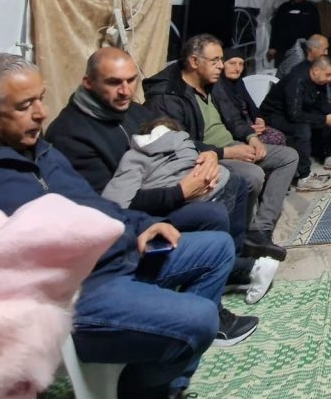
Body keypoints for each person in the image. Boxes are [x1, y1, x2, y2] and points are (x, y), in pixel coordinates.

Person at [0, 54, 250, 399]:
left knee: (216, 247)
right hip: (78, 290)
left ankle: (165, 384)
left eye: (41, 99)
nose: (41, 113)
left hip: (118, 254)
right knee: (200, 319)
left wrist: (142, 226)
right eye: (25, 106)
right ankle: (142, 387)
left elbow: (95, 203)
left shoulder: (37, 148)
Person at [48, 47, 281, 303]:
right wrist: (180, 192)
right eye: (114, 83)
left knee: (237, 182)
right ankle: (214, 288)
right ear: (88, 83)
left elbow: (172, 139)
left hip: (162, 183)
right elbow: (105, 205)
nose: (125, 91)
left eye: (130, 80)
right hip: (132, 215)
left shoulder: (131, 110)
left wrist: (210, 154)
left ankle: (227, 271)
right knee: (212, 213)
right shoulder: (71, 134)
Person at [144, 34, 300, 257]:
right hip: (206, 155)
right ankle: (241, 238)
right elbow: (178, 146)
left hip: (233, 145)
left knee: (288, 156)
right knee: (253, 175)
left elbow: (234, 118)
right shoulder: (168, 96)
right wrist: (227, 152)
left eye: (221, 60)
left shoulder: (213, 84)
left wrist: (251, 138)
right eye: (215, 60)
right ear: (194, 62)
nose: (220, 66)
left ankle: (260, 230)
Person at [261, 55, 331, 190]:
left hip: (296, 110)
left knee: (329, 116)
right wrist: (324, 120)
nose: (330, 79)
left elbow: (322, 103)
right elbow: (295, 115)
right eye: (327, 75)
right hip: (273, 115)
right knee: (302, 128)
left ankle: (329, 156)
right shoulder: (297, 80)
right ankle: (304, 177)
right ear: (316, 70)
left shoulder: (319, 81)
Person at [219, 47, 288, 147]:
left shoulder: (239, 83)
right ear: (222, 65)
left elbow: (251, 105)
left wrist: (259, 119)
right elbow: (227, 119)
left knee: (279, 136)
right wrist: (247, 130)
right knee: (275, 139)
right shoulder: (218, 87)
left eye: (241, 64)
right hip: (234, 129)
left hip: (249, 123)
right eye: (232, 63)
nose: (237, 68)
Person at [267, 0, 320, 67]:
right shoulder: (284, 8)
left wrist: (317, 45)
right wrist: (273, 47)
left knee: (304, 67)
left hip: (305, 45)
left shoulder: (311, 7)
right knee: (284, 67)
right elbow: (276, 28)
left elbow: (316, 27)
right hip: (285, 46)